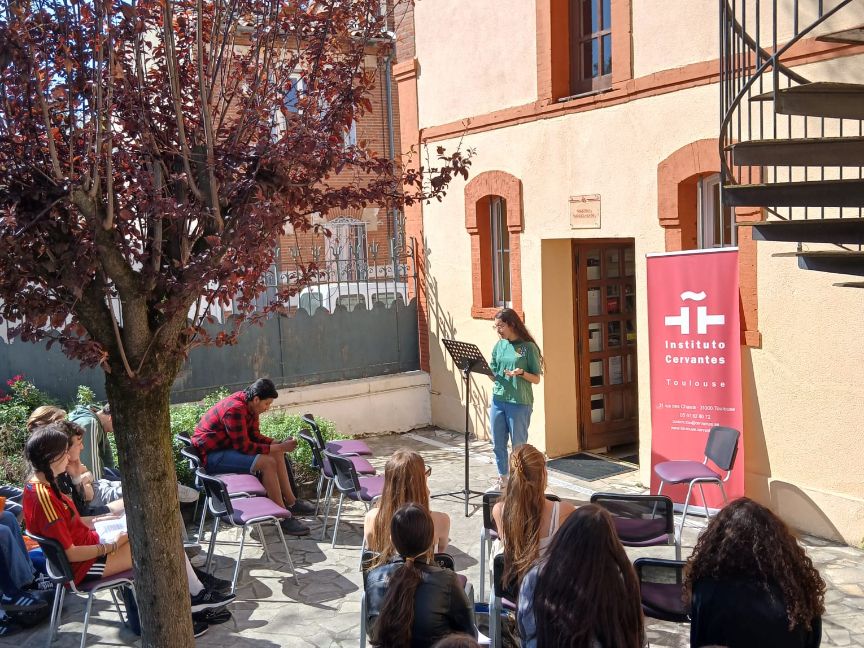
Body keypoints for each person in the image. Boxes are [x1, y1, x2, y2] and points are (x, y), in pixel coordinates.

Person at [22, 424, 234, 636]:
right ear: (52, 457)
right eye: (64, 453)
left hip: (90, 548)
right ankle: (185, 609)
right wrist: (112, 545)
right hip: (83, 566)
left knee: (153, 534)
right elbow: (71, 552)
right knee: (158, 546)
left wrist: (99, 519)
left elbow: (70, 525)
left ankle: (194, 598)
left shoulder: (40, 487)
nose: (69, 457)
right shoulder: (44, 496)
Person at [684, 497, 826, 648]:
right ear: (780, 544)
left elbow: (699, 642)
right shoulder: (799, 591)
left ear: (718, 543)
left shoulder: (706, 590)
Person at [191, 378, 314, 536]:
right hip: (211, 457)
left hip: (226, 449)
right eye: (266, 404)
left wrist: (277, 443)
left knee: (276, 453)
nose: (267, 408)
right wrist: (278, 447)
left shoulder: (250, 405)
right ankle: (283, 517)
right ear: (256, 399)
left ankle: (291, 502)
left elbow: (254, 436)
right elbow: (244, 446)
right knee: (268, 462)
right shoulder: (235, 409)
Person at [517, 504, 644, 648]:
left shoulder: (536, 576)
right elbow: (635, 635)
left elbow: (525, 630)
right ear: (611, 543)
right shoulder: (623, 580)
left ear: (564, 536)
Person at [366, 504, 475, 648]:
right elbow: (468, 634)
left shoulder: (373, 577)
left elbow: (371, 630)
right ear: (431, 540)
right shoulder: (447, 581)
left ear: (392, 540)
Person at [492, 444, 575, 589]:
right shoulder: (564, 511)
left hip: (515, 591)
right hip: (551, 594)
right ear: (543, 474)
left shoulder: (499, 510)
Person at [487, 308, 543, 489]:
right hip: (498, 399)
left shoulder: (528, 348)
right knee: (498, 444)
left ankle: (519, 483)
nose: (498, 330)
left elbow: (536, 378)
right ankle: (504, 479)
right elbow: (492, 370)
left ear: (511, 324)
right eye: (495, 327)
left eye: (501, 326)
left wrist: (521, 373)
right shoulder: (499, 345)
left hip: (519, 402)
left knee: (518, 447)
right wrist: (489, 373)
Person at [364, 449, 450, 564]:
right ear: (420, 480)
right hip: (426, 580)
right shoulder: (440, 520)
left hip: (386, 580)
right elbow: (441, 557)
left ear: (389, 482)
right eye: (425, 472)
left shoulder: (373, 518)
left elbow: (372, 557)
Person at [52, 420, 124, 516]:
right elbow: (86, 501)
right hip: (91, 512)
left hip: (91, 508)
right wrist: (81, 479)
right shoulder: (57, 477)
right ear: (65, 449)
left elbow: (89, 475)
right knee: (131, 497)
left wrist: (78, 478)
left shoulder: (72, 464)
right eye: (78, 444)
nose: (82, 447)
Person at [68, 403, 116, 480]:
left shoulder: (101, 423)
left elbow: (107, 456)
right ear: (111, 418)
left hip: (97, 472)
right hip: (86, 478)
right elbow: (90, 463)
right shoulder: (91, 424)